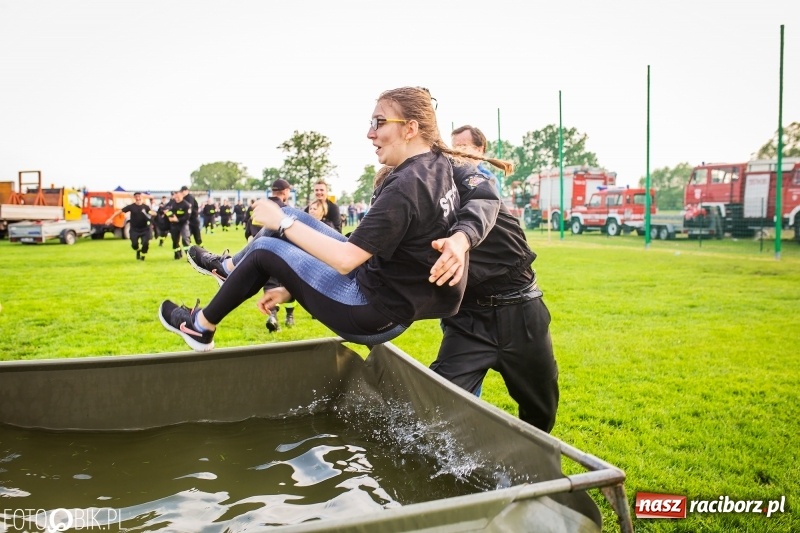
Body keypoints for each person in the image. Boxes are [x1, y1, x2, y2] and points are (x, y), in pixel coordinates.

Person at [160, 86, 469, 351]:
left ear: (410, 128)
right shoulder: (437, 163)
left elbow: (347, 259)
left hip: (370, 311)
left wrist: (281, 222)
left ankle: (200, 327)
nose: (370, 132)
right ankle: (230, 269)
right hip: (386, 294)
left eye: (379, 121)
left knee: (270, 244)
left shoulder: (406, 185)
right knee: (292, 214)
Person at [425, 126, 560, 433]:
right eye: (453, 146)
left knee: (542, 412)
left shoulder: (482, 188)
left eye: (464, 148)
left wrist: (462, 239)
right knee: (436, 402)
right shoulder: (432, 192)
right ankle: (457, 461)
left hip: (521, 315)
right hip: (469, 320)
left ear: (479, 152)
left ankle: (529, 471)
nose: (457, 154)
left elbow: (480, 206)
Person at [451, 125, 504, 197]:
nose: (456, 151)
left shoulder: (487, 180)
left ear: (479, 149)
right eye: (454, 147)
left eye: (463, 146)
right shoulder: (449, 173)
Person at [104, 192, 156, 261]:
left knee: (145, 243)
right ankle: (138, 250)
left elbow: (151, 213)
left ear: (141, 197)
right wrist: (110, 219)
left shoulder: (145, 207)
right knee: (134, 244)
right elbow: (119, 211)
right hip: (134, 229)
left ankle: (142, 256)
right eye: (136, 197)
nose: (138, 198)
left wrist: (154, 213)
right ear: (134, 198)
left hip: (145, 229)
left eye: (139, 196)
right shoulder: (131, 207)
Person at [164, 190, 191, 260]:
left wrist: (178, 219)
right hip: (174, 225)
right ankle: (177, 254)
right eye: (175, 195)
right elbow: (165, 209)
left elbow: (187, 216)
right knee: (175, 240)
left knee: (185, 239)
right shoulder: (172, 204)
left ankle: (189, 257)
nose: (176, 197)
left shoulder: (186, 205)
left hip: (183, 224)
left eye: (177, 195)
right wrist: (169, 215)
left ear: (181, 195)